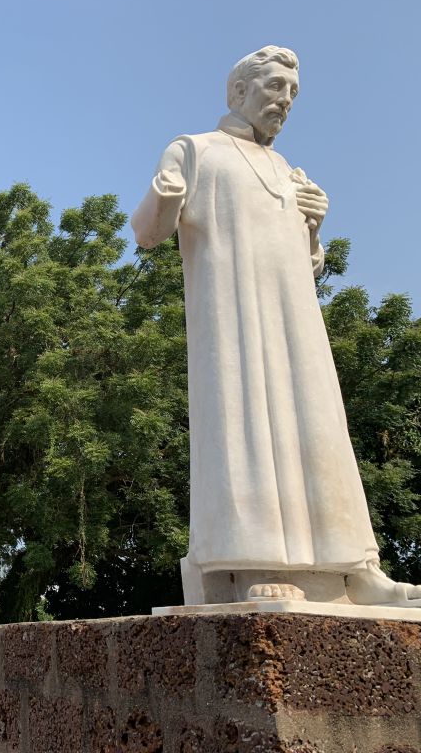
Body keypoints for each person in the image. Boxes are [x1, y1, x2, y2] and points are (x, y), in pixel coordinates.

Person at [131, 45, 421, 607]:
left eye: (293, 92)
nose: (285, 101)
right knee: (248, 425)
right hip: (235, 315)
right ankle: (254, 559)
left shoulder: (289, 169)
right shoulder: (196, 150)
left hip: (296, 318)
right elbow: (147, 231)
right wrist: (162, 195)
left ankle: (354, 568)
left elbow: (309, 262)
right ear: (240, 91)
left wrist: (314, 225)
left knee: (321, 425)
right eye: (274, 88)